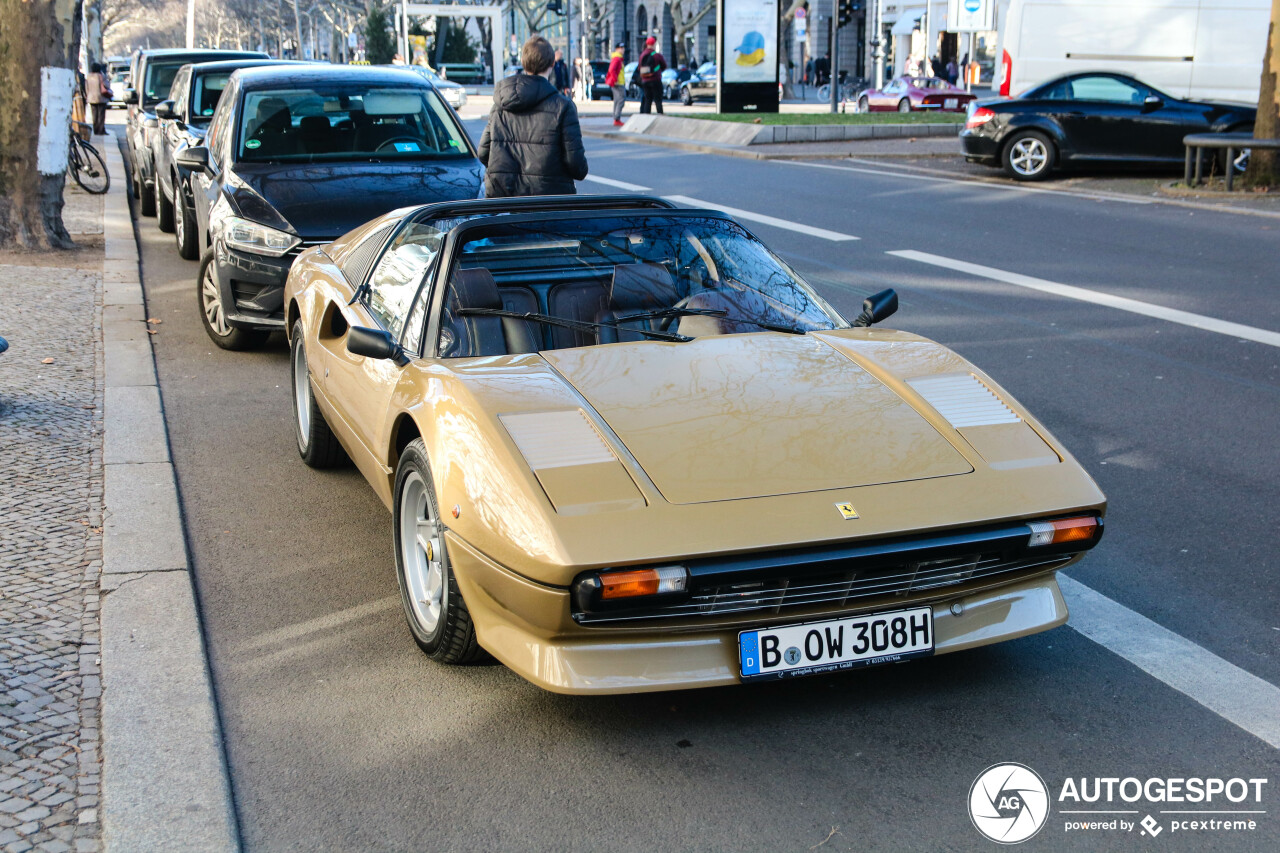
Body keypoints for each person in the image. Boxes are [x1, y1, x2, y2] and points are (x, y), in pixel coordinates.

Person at [477, 36, 588, 197]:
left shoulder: (500, 105)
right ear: (552, 64)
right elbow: (577, 166)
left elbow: (483, 152)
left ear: (523, 63)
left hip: (502, 201)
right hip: (548, 204)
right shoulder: (563, 106)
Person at [637, 36, 666, 115]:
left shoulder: (642, 55)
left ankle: (646, 116)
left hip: (645, 80)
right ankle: (660, 115)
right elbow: (664, 65)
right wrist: (657, 70)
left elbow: (639, 67)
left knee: (647, 100)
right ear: (654, 44)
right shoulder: (656, 55)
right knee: (658, 100)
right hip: (656, 80)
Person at [85, 62, 110, 136]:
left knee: (94, 114)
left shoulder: (88, 76)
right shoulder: (101, 76)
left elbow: (86, 88)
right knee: (101, 115)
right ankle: (101, 130)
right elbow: (106, 85)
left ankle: (95, 130)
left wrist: (88, 95)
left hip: (91, 98)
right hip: (101, 97)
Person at [605, 41, 626, 127]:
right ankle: (617, 118)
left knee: (617, 100)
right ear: (618, 49)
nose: (623, 50)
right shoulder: (617, 59)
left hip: (617, 82)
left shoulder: (617, 58)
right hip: (618, 83)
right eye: (621, 48)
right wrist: (615, 79)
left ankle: (616, 118)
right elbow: (612, 70)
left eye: (623, 48)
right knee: (621, 99)